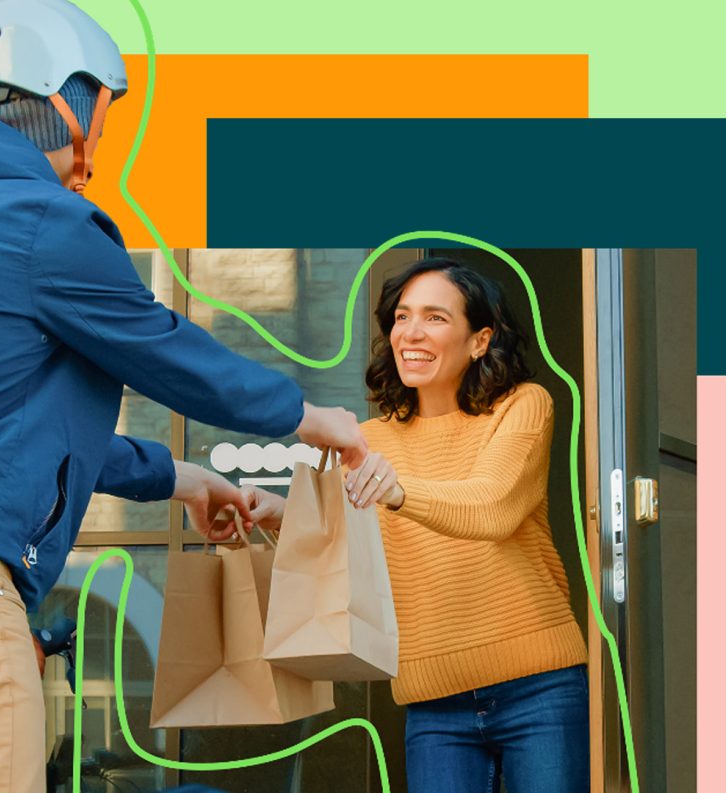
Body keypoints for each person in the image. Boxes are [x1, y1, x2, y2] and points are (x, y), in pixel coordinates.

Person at [0, 2, 366, 792]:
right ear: (65, 99)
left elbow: (13, 433)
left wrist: (182, 478)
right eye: (100, 113)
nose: (96, 148)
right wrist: (315, 419)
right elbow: (169, 350)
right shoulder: (41, 220)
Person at [235, 258, 590, 792]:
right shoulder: (369, 438)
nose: (411, 333)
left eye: (435, 318)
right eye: (402, 317)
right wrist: (281, 514)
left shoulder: (522, 406)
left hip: (538, 686)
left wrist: (398, 490)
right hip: (432, 701)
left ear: (479, 339)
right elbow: (347, 545)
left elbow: (491, 506)